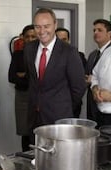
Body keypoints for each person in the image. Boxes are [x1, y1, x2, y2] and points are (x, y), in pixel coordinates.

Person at [24, 8, 86, 142]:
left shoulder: (69, 52)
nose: (42, 31)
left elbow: (79, 88)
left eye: (46, 26)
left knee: (57, 159)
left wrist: (63, 107)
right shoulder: (29, 49)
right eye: (38, 27)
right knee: (36, 157)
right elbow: (33, 81)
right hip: (34, 118)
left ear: (55, 25)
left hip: (58, 119)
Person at [8, 25, 37, 152]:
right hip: (23, 98)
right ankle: (26, 158)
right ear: (22, 38)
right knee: (25, 132)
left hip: (40, 98)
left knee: (39, 130)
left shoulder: (43, 53)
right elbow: (11, 77)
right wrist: (29, 77)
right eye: (27, 37)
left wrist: (24, 75)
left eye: (33, 36)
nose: (30, 39)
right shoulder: (18, 55)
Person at [85, 19, 111, 123]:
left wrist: (95, 80)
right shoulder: (93, 55)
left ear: (109, 34)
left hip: (107, 102)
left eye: (100, 30)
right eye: (94, 30)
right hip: (92, 101)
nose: (96, 33)